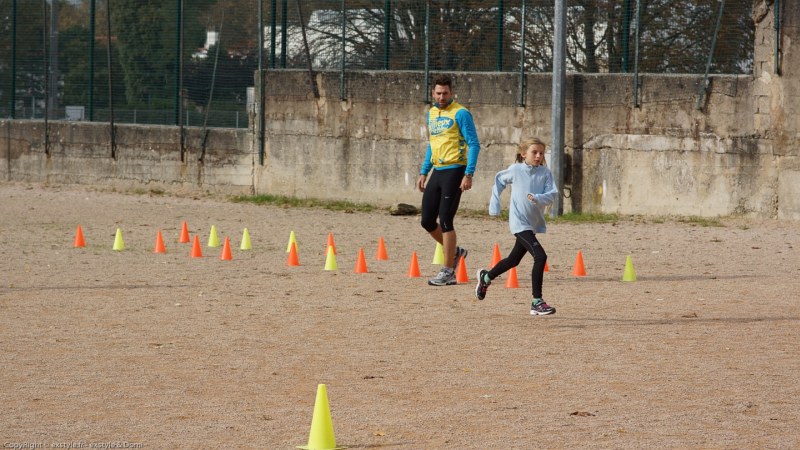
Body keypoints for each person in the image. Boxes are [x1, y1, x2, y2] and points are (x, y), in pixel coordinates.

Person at [475, 137, 559, 315]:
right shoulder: (516, 170)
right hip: (519, 223)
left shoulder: (545, 172)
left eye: (541, 153)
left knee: (513, 260)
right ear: (523, 154)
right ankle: (537, 302)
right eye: (534, 152)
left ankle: (486, 277)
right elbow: (499, 180)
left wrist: (538, 198)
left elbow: (552, 194)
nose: (538, 156)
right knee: (540, 257)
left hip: (532, 223)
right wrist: (495, 206)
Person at [417, 74, 481, 286]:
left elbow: (474, 144)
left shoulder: (461, 113)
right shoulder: (432, 113)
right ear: (433, 93)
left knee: (445, 219)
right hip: (438, 170)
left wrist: (468, 173)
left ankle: (448, 271)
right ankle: (455, 252)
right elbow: (432, 144)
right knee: (427, 220)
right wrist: (424, 171)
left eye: (445, 93)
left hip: (456, 170)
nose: (441, 96)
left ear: (451, 92)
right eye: (438, 93)